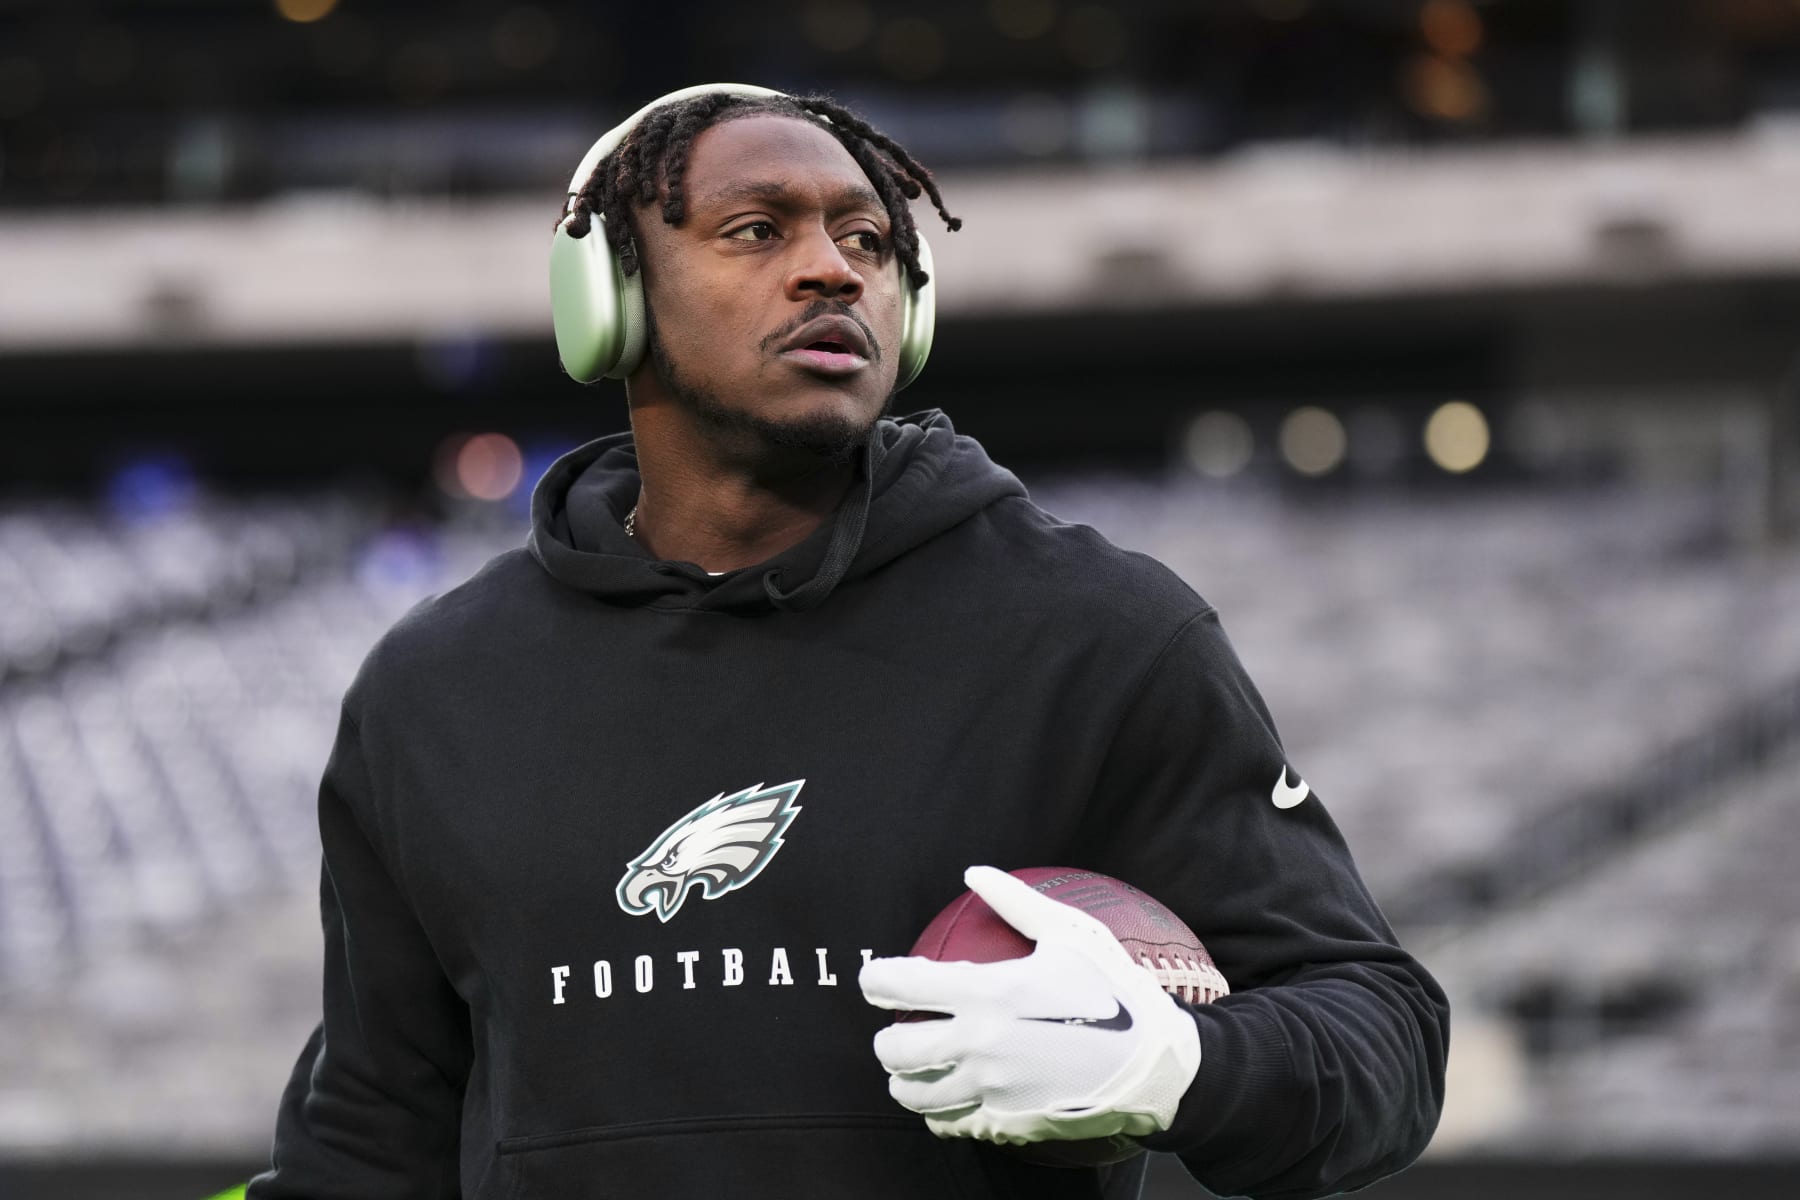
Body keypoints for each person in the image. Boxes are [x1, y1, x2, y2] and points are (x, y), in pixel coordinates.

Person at [248, 85, 1448, 1200]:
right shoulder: (437, 690)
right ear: (610, 297)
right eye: (756, 230)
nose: (831, 270)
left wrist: (1175, 1067)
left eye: (868, 242)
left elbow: (1383, 1030)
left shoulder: (1098, 633)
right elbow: (369, 1132)